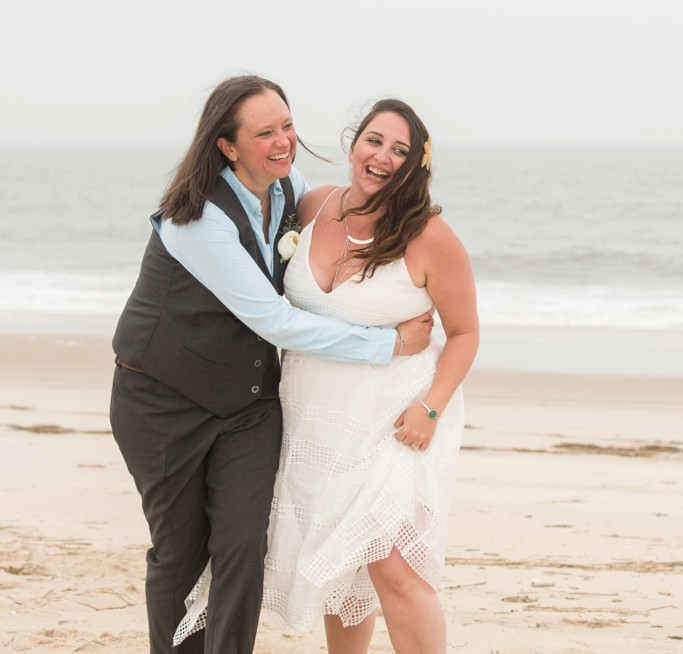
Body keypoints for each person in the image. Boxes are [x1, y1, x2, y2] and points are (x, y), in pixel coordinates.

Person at [109, 76, 433, 654]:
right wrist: (387, 344)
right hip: (160, 399)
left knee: (242, 548)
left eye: (286, 124)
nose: (284, 141)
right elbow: (275, 321)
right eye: (265, 132)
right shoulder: (196, 220)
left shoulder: (289, 191)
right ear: (227, 147)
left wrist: (411, 216)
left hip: (247, 406)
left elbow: (348, 221)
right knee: (180, 554)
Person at [175, 99, 479, 653]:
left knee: (391, 565)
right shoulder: (312, 205)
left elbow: (463, 334)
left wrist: (431, 407)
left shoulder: (431, 236)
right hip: (316, 416)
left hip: (396, 419)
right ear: (352, 144)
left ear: (416, 166)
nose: (383, 157)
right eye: (374, 141)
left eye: (400, 150)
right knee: (345, 563)